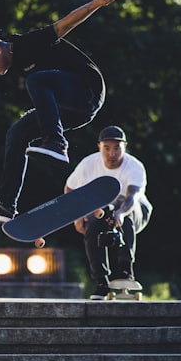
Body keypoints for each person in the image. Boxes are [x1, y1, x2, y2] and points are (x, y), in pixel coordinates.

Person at [0, 0, 118, 222]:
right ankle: (6, 204)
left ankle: (56, 143)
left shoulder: (26, 45)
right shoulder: (13, 64)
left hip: (86, 89)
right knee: (16, 134)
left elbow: (64, 25)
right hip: (70, 110)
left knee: (36, 81)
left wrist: (95, 4)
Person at [65, 126, 152, 300]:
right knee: (92, 225)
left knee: (125, 215)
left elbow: (132, 197)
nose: (112, 154)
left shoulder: (134, 166)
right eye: (107, 148)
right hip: (102, 207)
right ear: (99, 147)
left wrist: (120, 213)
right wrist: (77, 217)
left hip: (136, 209)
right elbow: (70, 189)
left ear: (125, 147)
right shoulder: (89, 164)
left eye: (116, 148)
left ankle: (125, 271)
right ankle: (101, 282)